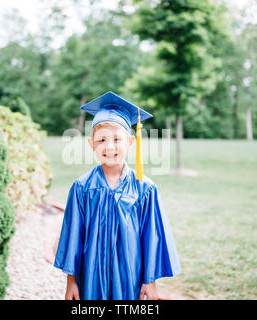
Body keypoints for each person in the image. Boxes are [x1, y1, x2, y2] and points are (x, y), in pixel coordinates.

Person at [53, 91, 181, 300]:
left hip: (130, 278)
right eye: (102, 139)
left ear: (130, 142)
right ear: (91, 143)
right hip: (91, 279)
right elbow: (73, 237)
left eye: (117, 139)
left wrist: (150, 282)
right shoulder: (82, 188)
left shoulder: (145, 189)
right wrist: (71, 282)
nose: (110, 146)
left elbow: (152, 238)